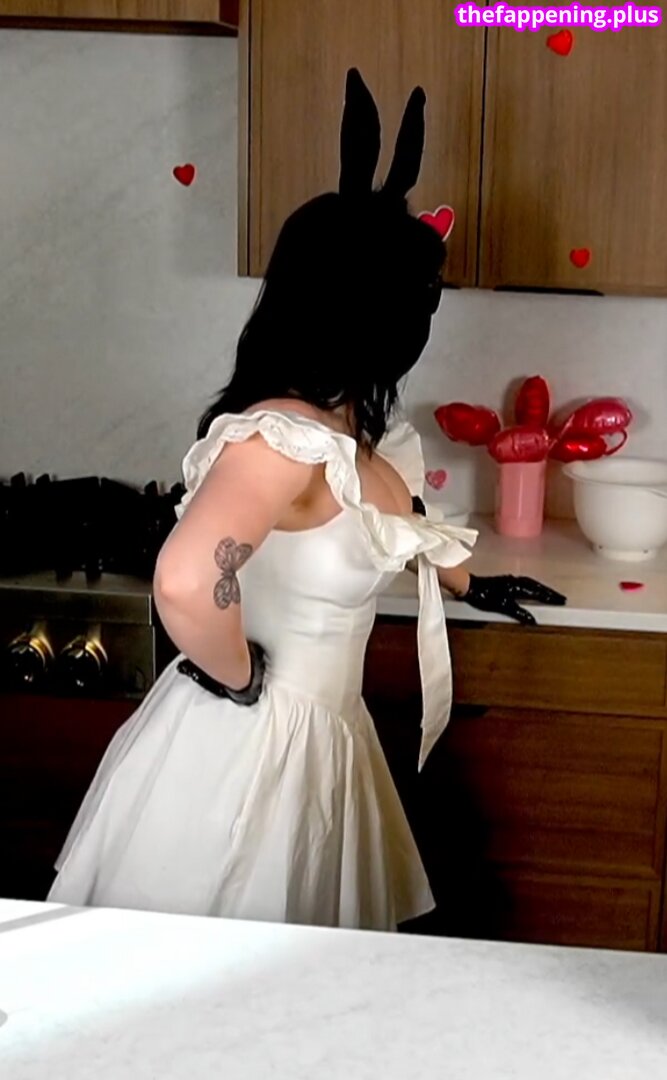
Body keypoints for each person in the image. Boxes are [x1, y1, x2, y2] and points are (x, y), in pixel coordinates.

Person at [47, 70, 565, 930]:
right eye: (416, 301)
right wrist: (237, 675)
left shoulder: (344, 433)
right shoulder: (281, 439)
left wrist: (470, 582)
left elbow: (385, 528)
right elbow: (186, 580)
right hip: (254, 757)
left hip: (320, 740)